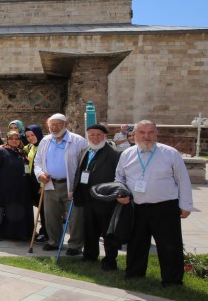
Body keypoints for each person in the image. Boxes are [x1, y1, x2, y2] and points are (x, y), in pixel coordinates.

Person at [115, 120, 193, 287]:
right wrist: (120, 194)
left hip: (165, 207)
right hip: (136, 207)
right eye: (142, 132)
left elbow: (183, 180)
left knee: (169, 245)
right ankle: (134, 274)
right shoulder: (126, 155)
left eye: (150, 132)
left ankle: (172, 281)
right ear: (134, 135)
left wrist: (186, 204)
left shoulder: (170, 153)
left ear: (157, 134)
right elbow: (119, 178)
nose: (146, 136)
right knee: (136, 243)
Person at [34, 113, 88, 255]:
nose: (55, 128)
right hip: (50, 184)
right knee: (51, 215)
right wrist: (40, 174)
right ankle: (54, 241)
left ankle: (75, 245)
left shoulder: (78, 141)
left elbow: (86, 163)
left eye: (58, 124)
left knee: (75, 217)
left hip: (71, 185)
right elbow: (37, 161)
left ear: (66, 124)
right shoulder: (45, 141)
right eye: (52, 125)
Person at [72, 124, 121, 270]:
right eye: (91, 135)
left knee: (107, 232)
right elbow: (79, 172)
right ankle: (90, 256)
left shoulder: (114, 153)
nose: (94, 138)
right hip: (87, 198)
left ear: (104, 136)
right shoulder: (85, 151)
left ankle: (110, 260)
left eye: (98, 135)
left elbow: (120, 176)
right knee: (90, 229)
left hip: (106, 199)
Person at [0, 131, 34, 241]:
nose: (14, 140)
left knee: (18, 211)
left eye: (16, 138)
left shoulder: (22, 152)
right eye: (11, 138)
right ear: (7, 139)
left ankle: (19, 234)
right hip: (5, 190)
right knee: (4, 211)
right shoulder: (0, 151)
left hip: (21, 190)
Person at [24, 125, 48, 243]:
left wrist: (42, 185)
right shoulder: (30, 147)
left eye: (32, 135)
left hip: (41, 183)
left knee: (44, 210)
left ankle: (45, 232)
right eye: (27, 136)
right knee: (39, 207)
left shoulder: (45, 146)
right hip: (32, 182)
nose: (30, 138)